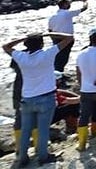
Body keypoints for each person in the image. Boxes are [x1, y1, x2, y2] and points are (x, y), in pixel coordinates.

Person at [4, 30, 73, 166]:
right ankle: (43, 156)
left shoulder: (21, 56)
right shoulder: (47, 54)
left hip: (27, 98)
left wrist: (24, 37)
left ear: (26, 44)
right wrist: (49, 34)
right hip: (46, 97)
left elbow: (6, 46)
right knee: (43, 129)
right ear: (41, 44)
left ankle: (22, 158)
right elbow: (69, 38)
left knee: (25, 130)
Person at [48, 0, 88, 72]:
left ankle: (56, 72)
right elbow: (84, 8)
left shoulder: (52, 17)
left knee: (57, 56)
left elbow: (50, 30)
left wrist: (53, 39)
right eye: (68, 4)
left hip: (56, 39)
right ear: (65, 5)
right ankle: (59, 73)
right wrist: (85, 1)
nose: (70, 5)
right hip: (67, 38)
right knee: (64, 57)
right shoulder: (67, 13)